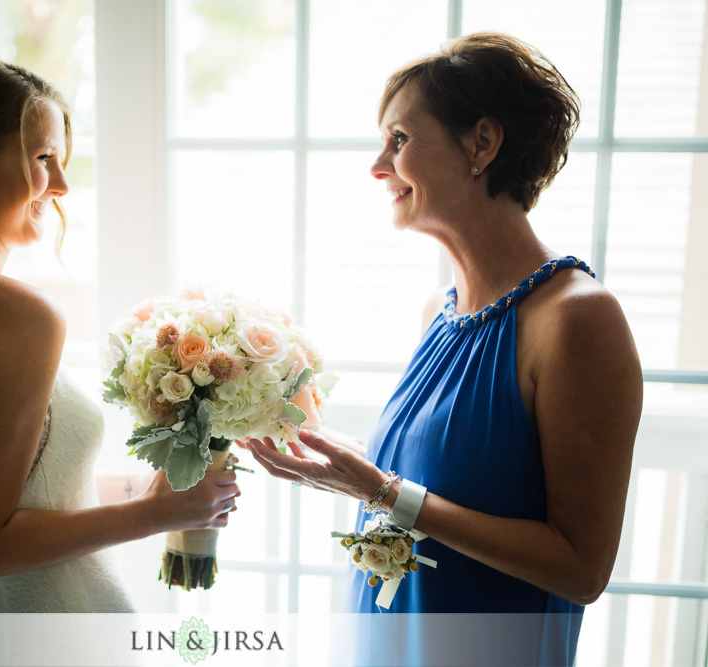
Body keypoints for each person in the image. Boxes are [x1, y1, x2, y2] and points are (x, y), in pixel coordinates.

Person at [243, 32, 642, 666]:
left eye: (398, 141)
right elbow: (433, 486)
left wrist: (380, 491)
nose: (378, 167)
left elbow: (581, 569)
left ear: (482, 143)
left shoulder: (577, 320)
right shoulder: (441, 310)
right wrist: (342, 468)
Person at [0, 42, 239, 662]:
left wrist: (149, 491)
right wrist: (159, 515)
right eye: (43, 158)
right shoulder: (19, 316)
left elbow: (11, 497)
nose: (61, 184)